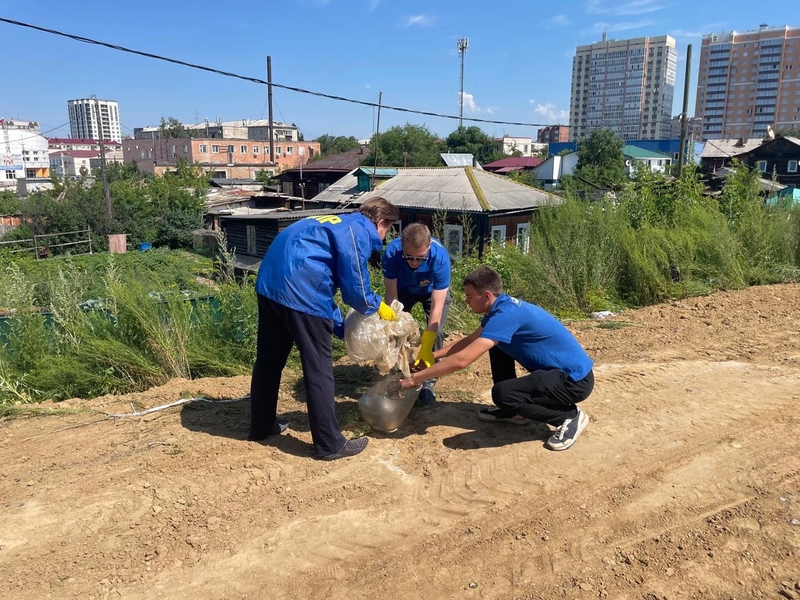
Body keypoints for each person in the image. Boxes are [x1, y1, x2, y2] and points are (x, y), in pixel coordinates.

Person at [250, 197, 400, 460]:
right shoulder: (358, 233)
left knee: (269, 361)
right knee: (318, 369)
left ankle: (260, 426)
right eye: (388, 229)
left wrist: (339, 326)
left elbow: (320, 279)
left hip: (270, 285)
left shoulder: (334, 222)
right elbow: (357, 292)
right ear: (381, 222)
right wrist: (378, 306)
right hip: (300, 289)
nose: (385, 235)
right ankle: (329, 444)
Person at [396, 265, 594, 451]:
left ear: (487, 295)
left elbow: (461, 361)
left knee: (503, 394)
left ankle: (569, 417)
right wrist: (430, 356)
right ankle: (512, 412)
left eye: (470, 296)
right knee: (496, 346)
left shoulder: (506, 315)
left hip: (573, 381)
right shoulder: (500, 309)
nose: (466, 301)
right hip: (558, 373)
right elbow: (471, 340)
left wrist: (414, 379)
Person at [382, 223, 452, 405]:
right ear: (402, 246)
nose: (413, 262)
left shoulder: (440, 258)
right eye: (409, 257)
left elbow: (437, 306)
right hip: (403, 291)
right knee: (395, 331)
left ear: (428, 247)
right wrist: (394, 321)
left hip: (432, 293)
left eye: (419, 258)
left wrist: (426, 345)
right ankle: (397, 373)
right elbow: (391, 295)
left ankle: (428, 382)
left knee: (437, 332)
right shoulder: (392, 253)